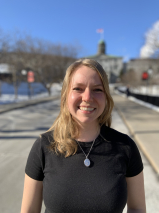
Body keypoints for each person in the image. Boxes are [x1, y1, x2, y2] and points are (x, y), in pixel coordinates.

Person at [21, 59, 146, 213]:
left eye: (97, 89)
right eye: (78, 88)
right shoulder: (44, 146)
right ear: (66, 95)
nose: (87, 97)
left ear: (106, 96)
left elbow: (137, 208)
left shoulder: (125, 147)